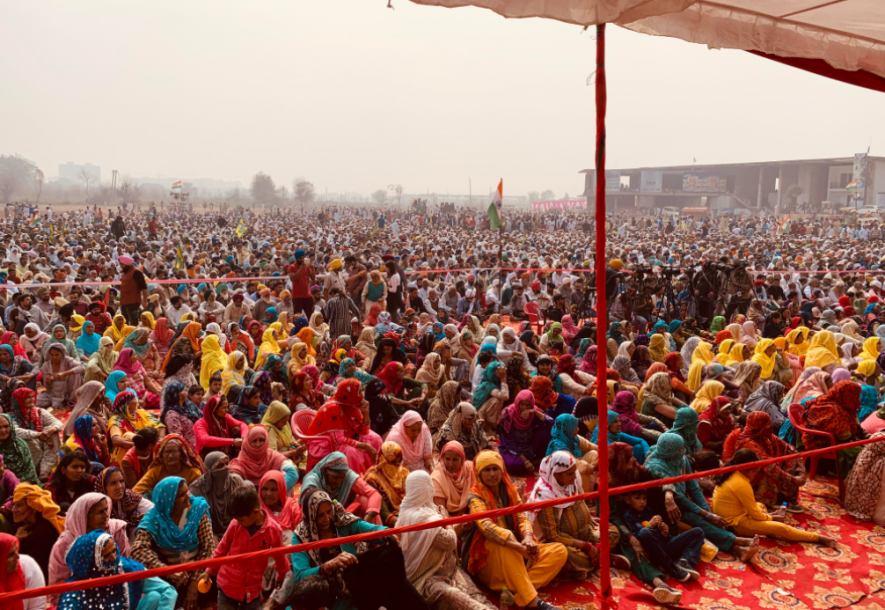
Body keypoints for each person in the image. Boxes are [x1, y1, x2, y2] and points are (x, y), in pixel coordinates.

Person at [463, 450, 567, 610]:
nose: (492, 474)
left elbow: (521, 516)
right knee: (507, 541)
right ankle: (534, 602)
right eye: (487, 470)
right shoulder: (475, 498)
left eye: (495, 469)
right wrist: (519, 547)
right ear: (479, 473)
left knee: (560, 551)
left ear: (502, 470)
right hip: (490, 557)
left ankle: (518, 593)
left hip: (518, 553)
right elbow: (486, 527)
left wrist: (527, 537)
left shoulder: (510, 491)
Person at [266, 488, 394, 610]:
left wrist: (388, 534)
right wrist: (327, 566)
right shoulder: (301, 536)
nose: (327, 518)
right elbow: (300, 576)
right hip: (324, 597)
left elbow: (371, 530)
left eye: (329, 511)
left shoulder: (341, 521)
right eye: (320, 515)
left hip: (354, 586)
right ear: (311, 516)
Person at [644, 433, 759, 561]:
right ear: (671, 452)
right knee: (695, 518)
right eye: (680, 449)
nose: (684, 451)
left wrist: (706, 511)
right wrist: (706, 515)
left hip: (681, 501)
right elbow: (678, 498)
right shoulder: (655, 466)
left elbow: (693, 486)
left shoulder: (680, 458)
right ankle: (735, 541)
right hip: (664, 507)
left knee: (703, 517)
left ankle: (737, 549)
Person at [398, 470, 497, 610]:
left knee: (475, 595)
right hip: (427, 578)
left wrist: (457, 525)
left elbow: (442, 533)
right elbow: (449, 541)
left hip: (450, 571)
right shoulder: (418, 517)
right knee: (458, 598)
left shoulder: (425, 510)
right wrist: (446, 520)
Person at [712, 449, 836, 546]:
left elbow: (754, 509)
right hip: (735, 524)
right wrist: (772, 518)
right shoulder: (740, 483)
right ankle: (818, 538)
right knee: (782, 528)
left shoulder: (733, 471)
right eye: (754, 472)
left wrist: (768, 517)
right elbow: (755, 515)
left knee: (761, 506)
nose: (755, 476)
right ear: (745, 469)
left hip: (733, 515)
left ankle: (768, 528)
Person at [131, 476, 217, 609]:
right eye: (181, 495)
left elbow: (208, 548)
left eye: (187, 491)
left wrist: (194, 582)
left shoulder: (197, 511)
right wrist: (168, 570)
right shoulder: (154, 518)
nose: (188, 496)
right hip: (172, 577)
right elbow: (137, 550)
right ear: (168, 501)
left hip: (198, 571)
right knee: (154, 560)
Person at [529, 451, 617, 580]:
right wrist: (586, 546)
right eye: (570, 474)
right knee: (568, 556)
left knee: (613, 532)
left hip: (584, 531)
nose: (574, 478)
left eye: (574, 472)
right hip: (564, 542)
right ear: (555, 475)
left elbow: (581, 501)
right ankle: (602, 557)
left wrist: (588, 517)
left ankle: (595, 556)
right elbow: (553, 536)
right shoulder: (545, 496)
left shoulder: (570, 482)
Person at [200, 486, 289, 610]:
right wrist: (210, 570)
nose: (238, 522)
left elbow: (279, 555)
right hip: (227, 585)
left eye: (241, 520)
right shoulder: (235, 524)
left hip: (253, 590)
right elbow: (222, 547)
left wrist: (281, 575)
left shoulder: (273, 530)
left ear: (256, 512)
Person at [56, 529, 175, 610]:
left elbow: (168, 590)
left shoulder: (125, 567)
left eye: (114, 551)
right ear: (92, 562)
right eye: (106, 556)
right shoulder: (76, 588)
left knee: (155, 597)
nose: (114, 558)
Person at [47, 492, 130, 595]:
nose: (106, 515)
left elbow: (125, 566)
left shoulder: (115, 530)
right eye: (100, 512)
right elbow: (58, 585)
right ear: (85, 516)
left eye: (106, 510)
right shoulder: (65, 543)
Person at [722, 411, 806, 510]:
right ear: (759, 427)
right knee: (764, 469)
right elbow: (769, 467)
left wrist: (801, 473)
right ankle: (773, 499)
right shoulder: (748, 442)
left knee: (791, 459)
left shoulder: (767, 437)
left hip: (769, 468)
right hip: (749, 478)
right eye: (768, 424)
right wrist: (795, 480)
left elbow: (792, 451)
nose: (772, 425)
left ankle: (786, 497)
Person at [619, 488, 704, 583]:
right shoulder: (626, 515)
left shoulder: (648, 511)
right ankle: (671, 567)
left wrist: (665, 533)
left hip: (665, 546)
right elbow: (637, 537)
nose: (642, 502)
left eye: (644, 498)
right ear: (627, 500)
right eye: (637, 498)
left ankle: (684, 561)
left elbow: (660, 534)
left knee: (698, 532)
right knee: (645, 532)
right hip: (654, 552)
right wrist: (649, 525)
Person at [304, 378, 376, 473]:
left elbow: (363, 431)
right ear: (349, 394)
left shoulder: (352, 405)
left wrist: (366, 413)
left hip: (343, 437)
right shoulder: (333, 409)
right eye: (359, 392)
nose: (362, 395)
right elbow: (338, 440)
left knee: (375, 439)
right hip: (324, 442)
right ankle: (354, 483)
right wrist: (366, 446)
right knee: (351, 452)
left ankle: (373, 475)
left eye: (361, 391)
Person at [301, 451, 382, 524]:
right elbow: (309, 510)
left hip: (344, 517)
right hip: (321, 521)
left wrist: (368, 517)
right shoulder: (312, 481)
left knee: (365, 501)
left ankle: (378, 535)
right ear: (325, 471)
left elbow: (374, 493)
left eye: (342, 478)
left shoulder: (348, 476)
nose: (338, 481)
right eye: (335, 477)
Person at [11, 483, 65, 581]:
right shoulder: (23, 527)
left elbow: (34, 569)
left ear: (33, 509)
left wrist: (15, 542)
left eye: (19, 506)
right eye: (14, 505)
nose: (13, 510)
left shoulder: (43, 532)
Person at [6, 387, 61, 481]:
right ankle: (35, 468)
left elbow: (58, 423)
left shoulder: (39, 412)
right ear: (19, 400)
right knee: (26, 439)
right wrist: (38, 435)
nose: (32, 399)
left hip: (43, 440)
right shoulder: (10, 417)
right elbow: (16, 431)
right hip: (28, 447)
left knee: (53, 434)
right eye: (28, 397)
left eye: (32, 396)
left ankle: (45, 470)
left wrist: (50, 430)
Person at [190, 451, 247, 538]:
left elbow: (245, 509)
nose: (225, 468)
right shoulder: (197, 488)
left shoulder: (236, 481)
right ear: (209, 470)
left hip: (236, 530)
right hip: (207, 535)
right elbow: (194, 519)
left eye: (227, 464)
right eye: (220, 466)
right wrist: (211, 537)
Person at [133, 434, 205, 497]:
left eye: (174, 452)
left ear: (182, 454)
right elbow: (136, 491)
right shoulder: (155, 471)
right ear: (161, 455)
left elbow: (196, 499)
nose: (170, 456)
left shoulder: (193, 473)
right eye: (167, 452)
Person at [230, 425, 298, 489]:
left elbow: (293, 473)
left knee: (283, 475)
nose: (258, 444)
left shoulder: (272, 455)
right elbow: (234, 476)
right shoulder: (242, 459)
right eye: (254, 441)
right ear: (248, 442)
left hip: (272, 496)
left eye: (261, 440)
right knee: (245, 483)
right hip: (251, 498)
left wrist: (278, 492)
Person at [94, 466, 154, 534]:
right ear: (103, 487)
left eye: (122, 481)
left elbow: (153, 511)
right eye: (113, 483)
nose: (119, 486)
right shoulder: (97, 507)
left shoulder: (128, 496)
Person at [0, 532, 46, 610]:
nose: (17, 557)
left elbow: (38, 607)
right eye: (10, 554)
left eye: (17, 550)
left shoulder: (27, 565)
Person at [44, 451, 96, 515]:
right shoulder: (51, 488)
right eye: (75, 467)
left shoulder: (89, 481)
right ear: (63, 470)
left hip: (85, 521)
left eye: (82, 467)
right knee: (64, 506)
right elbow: (52, 511)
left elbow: (103, 481)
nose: (79, 470)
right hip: (61, 522)